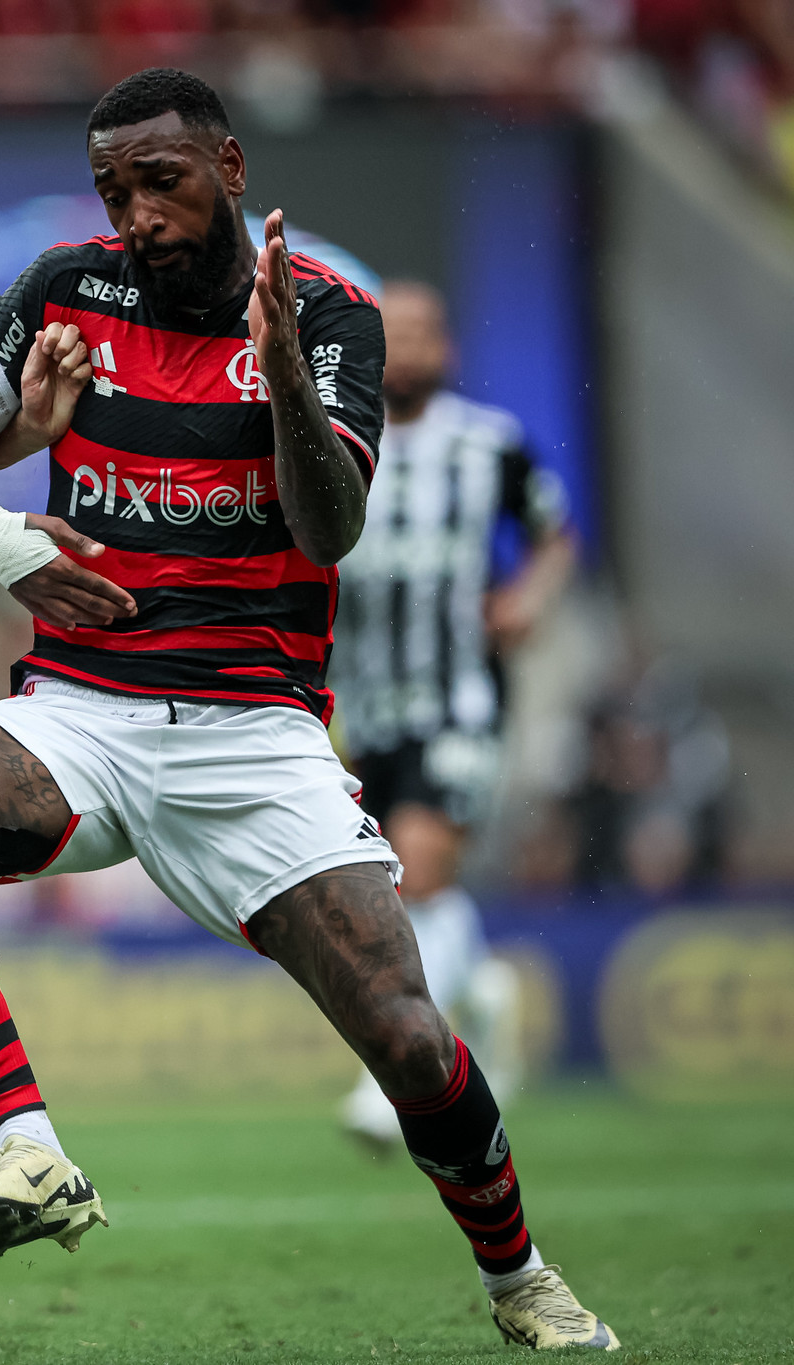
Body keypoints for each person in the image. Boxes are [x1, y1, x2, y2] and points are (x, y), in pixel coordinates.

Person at [0, 68, 619, 1351]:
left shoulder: (326, 323)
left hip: (253, 734)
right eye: (113, 188)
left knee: (409, 1044)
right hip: (81, 710)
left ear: (228, 169)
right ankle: (28, 1147)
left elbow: (331, 525)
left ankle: (518, 1278)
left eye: (159, 180)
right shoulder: (64, 292)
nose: (136, 214)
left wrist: (284, 387)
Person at [326, 280, 575, 1151]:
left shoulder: (489, 445)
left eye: (428, 330)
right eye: (396, 332)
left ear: (450, 349)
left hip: (460, 697)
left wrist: (530, 596)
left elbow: (555, 532)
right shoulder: (338, 442)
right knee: (386, 890)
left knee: (421, 866)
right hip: (361, 708)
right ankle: (485, 998)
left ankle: (384, 1077)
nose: (413, 345)